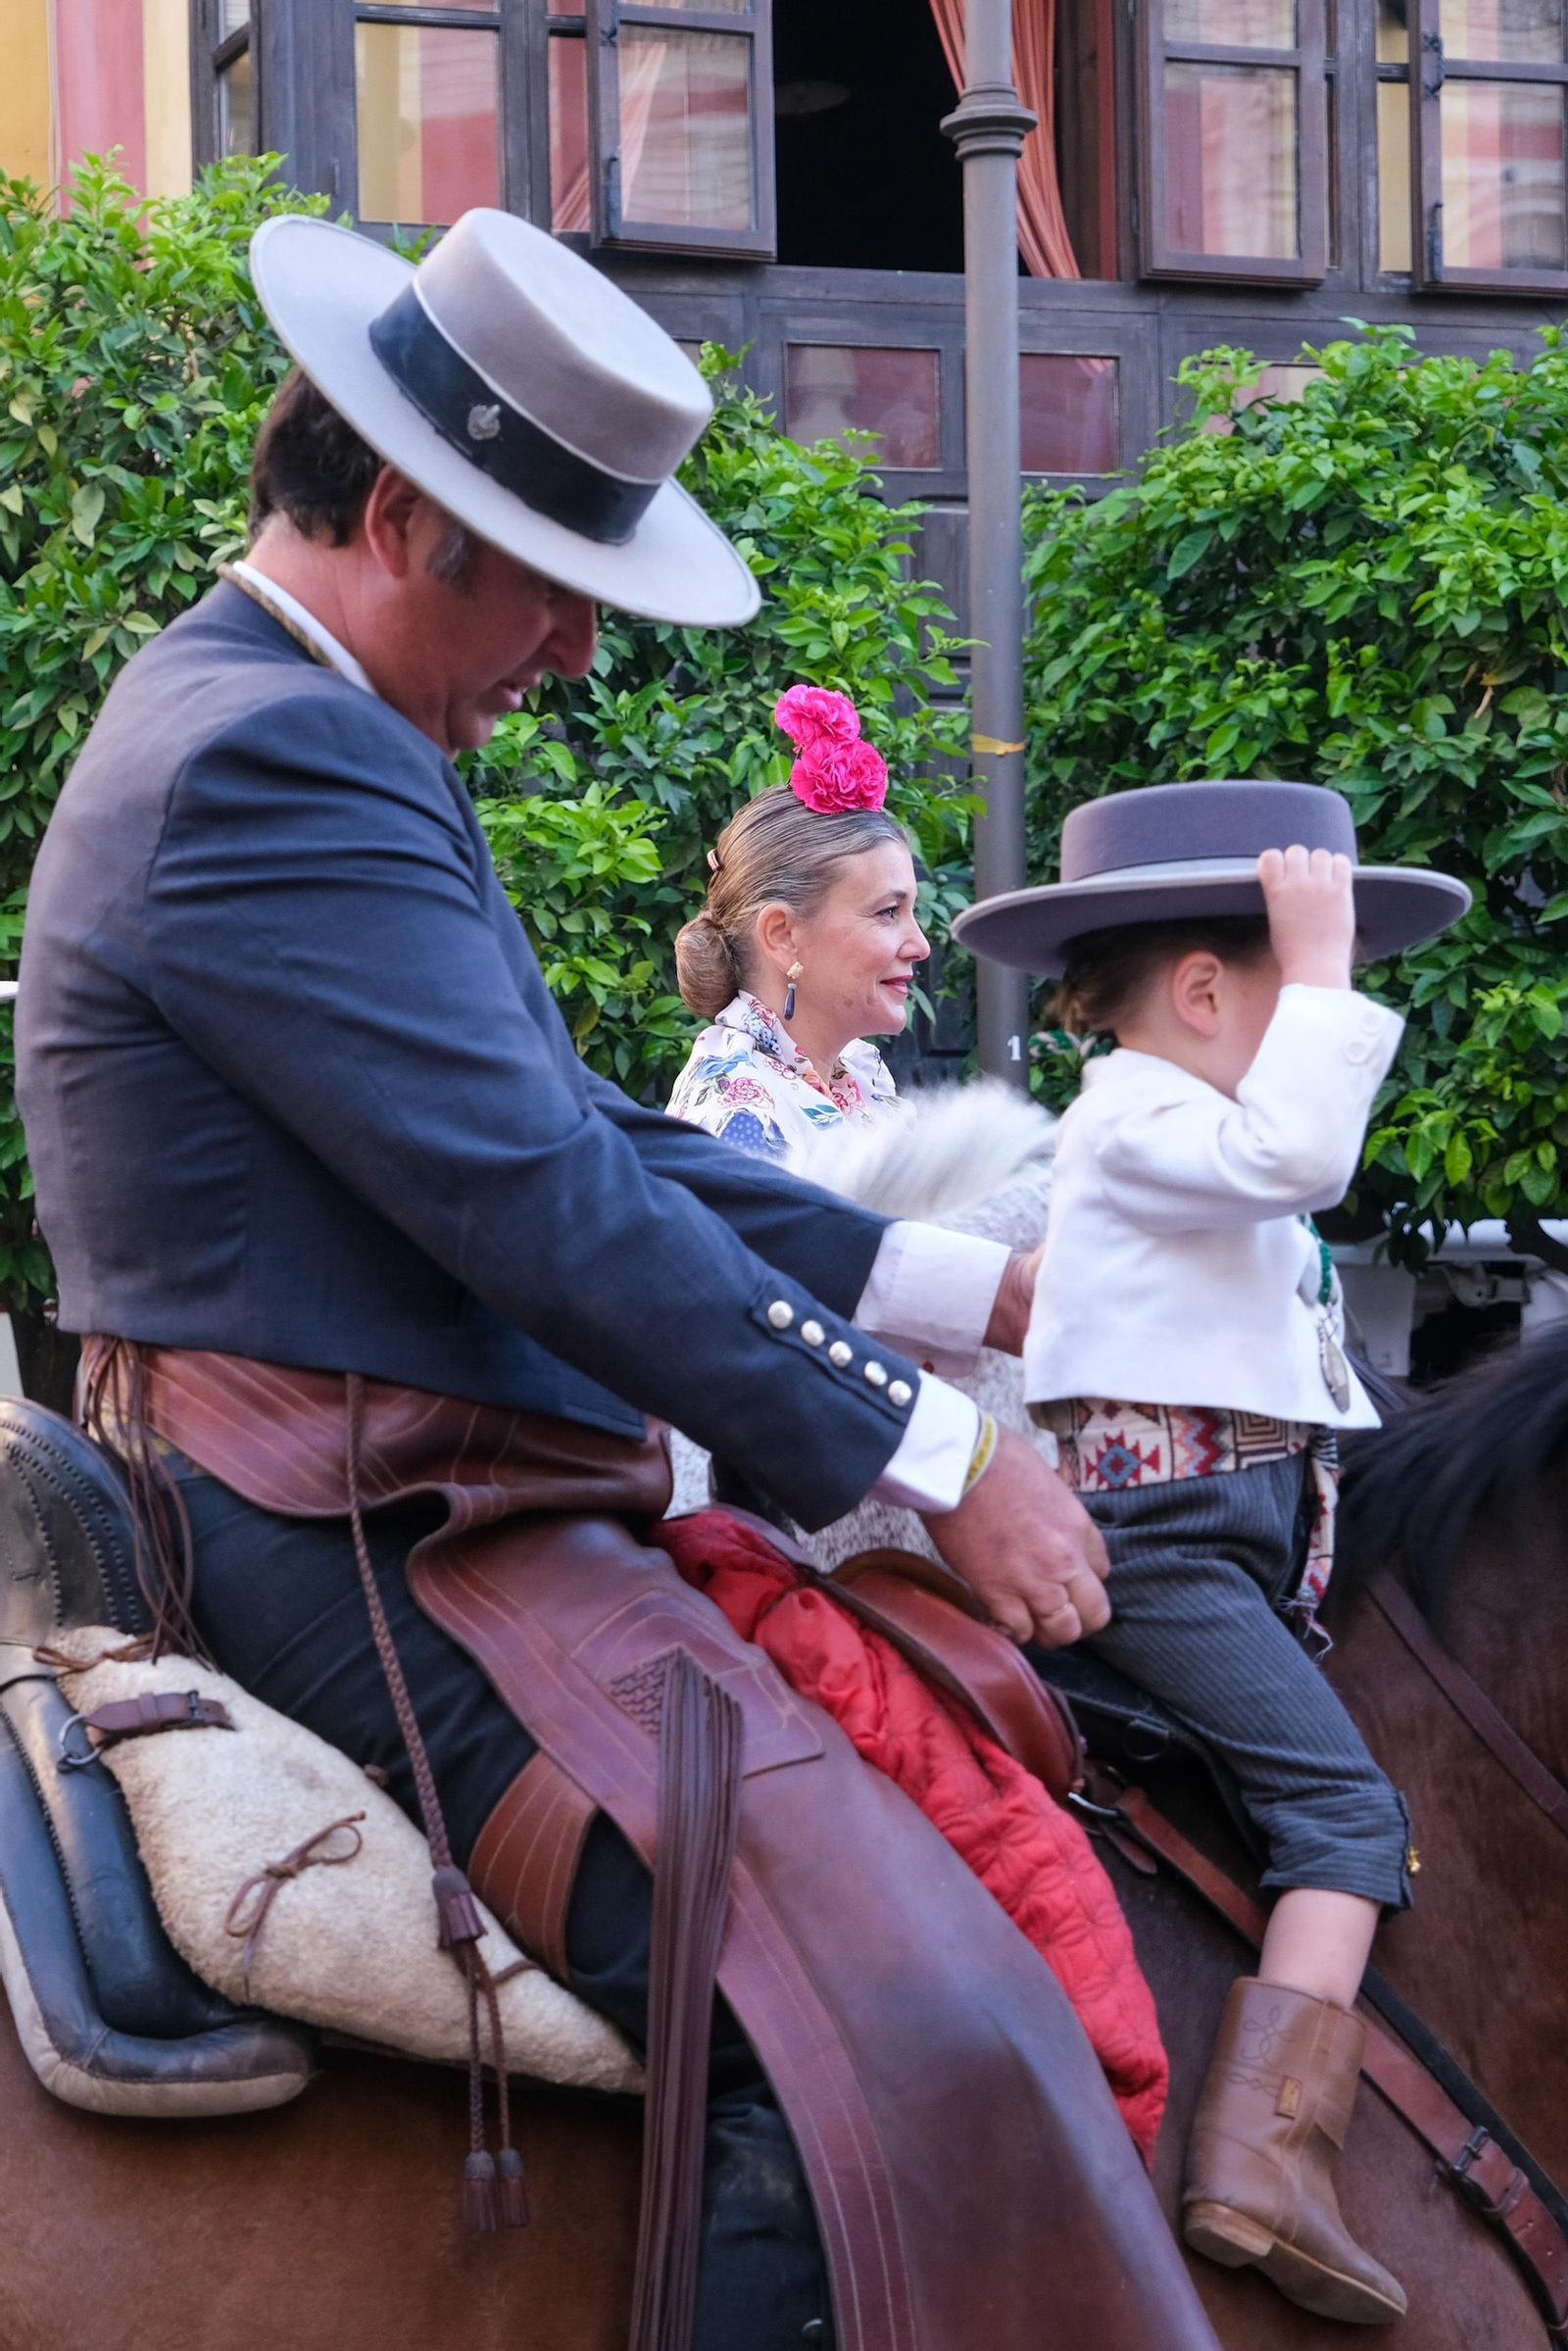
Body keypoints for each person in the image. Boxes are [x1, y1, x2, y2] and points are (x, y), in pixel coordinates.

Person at [13, 209, 1216, 2351]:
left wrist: (975, 1292)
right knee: (899, 2007)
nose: (573, 654)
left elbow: (583, 1137)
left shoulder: (308, 721)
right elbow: (545, 1206)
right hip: (361, 1523)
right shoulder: (274, 754)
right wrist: (938, 1457)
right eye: (562, 585)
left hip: (400, 1489)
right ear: (402, 513)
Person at [957, 779, 1470, 2328]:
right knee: (1342, 1805)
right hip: (1166, 1538)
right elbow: (1305, 1156)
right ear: (1200, 990)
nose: (1329, 1016)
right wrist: (1321, 968)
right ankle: (1268, 2158)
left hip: (1222, 1531)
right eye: (1295, 990)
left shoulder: (1177, 1122)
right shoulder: (1137, 1109)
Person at [667, 686, 918, 1158]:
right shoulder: (738, 1119)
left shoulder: (858, 1075)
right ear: (782, 936)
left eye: (910, 912)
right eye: (888, 912)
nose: (919, 944)